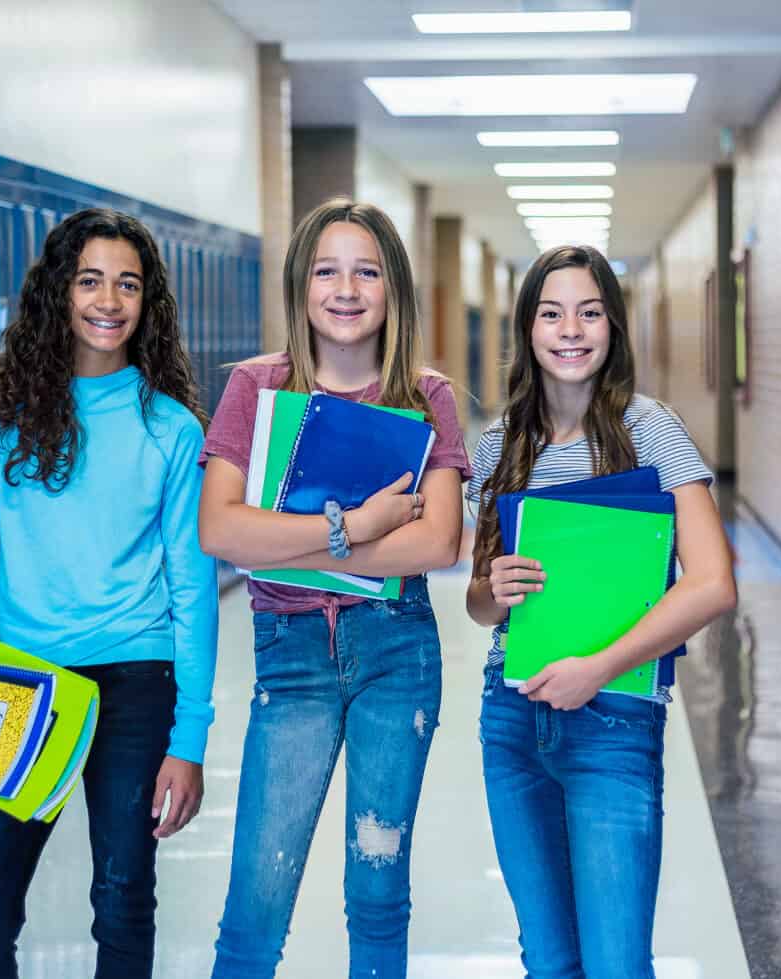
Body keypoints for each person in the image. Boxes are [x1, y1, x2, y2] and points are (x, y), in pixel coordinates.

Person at [0, 207, 219, 979]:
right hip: (22, 679)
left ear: (148, 304)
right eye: (90, 280)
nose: (108, 301)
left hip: (137, 678)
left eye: (128, 285)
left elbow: (194, 586)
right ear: (58, 292)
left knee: (121, 895)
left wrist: (190, 738)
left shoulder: (171, 429)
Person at [197, 198, 470, 978]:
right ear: (300, 284)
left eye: (367, 270)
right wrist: (357, 527)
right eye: (326, 269)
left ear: (393, 289)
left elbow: (439, 541)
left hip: (397, 653)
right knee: (257, 899)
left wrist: (283, 537)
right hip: (291, 663)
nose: (345, 289)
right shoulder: (256, 388)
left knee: (378, 893)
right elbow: (220, 531)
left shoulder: (425, 397)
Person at [465, 244, 738, 979]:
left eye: (589, 312)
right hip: (513, 717)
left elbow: (713, 582)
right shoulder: (500, 443)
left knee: (616, 964)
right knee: (549, 962)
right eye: (551, 313)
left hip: (614, 718)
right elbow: (480, 605)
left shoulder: (650, 430)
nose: (570, 329)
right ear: (528, 328)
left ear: (613, 327)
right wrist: (497, 583)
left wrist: (600, 667)